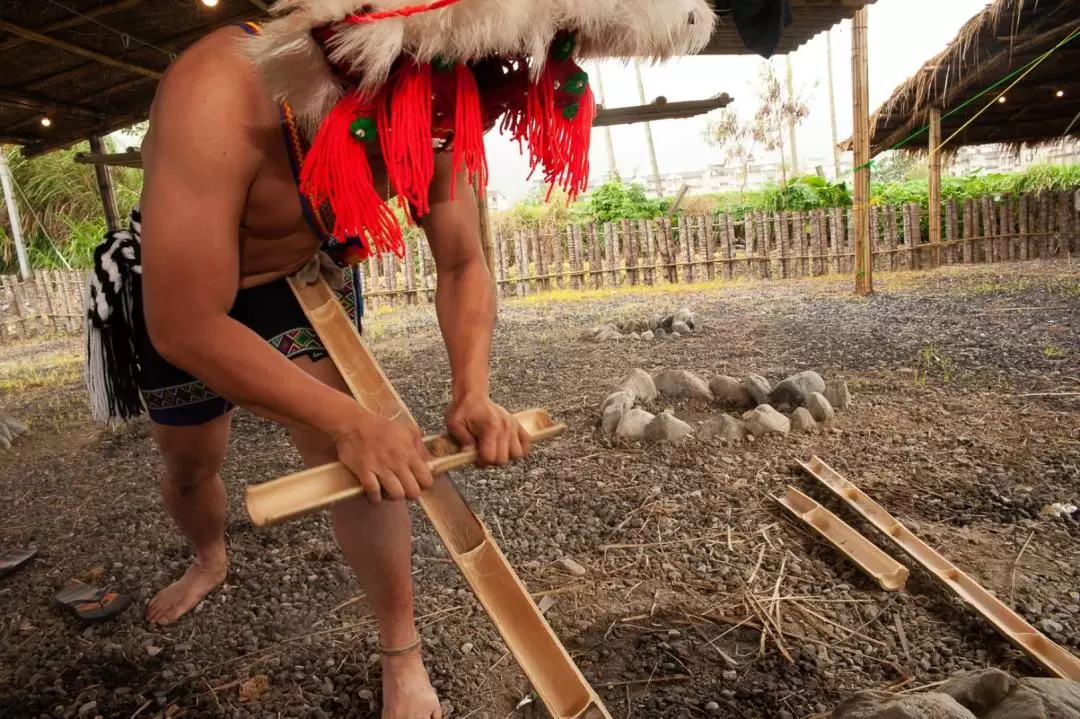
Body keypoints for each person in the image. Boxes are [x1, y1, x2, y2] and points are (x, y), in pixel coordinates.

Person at [84, 3, 715, 716]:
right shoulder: (216, 91)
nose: (402, 171)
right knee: (193, 464)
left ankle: (400, 651)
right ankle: (208, 555)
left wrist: (471, 390)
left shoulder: (435, 97)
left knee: (367, 459)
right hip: (181, 287)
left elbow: (462, 259)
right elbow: (186, 322)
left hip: (294, 277)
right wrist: (350, 420)